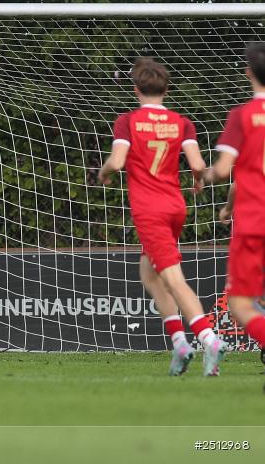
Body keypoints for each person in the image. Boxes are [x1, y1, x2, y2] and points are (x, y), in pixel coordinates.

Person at [98, 57, 226, 376]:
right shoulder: (182, 122)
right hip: (175, 206)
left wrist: (103, 173)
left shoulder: (128, 120)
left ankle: (209, 339)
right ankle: (179, 343)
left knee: (172, 278)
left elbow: (116, 161)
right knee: (149, 274)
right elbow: (197, 165)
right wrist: (197, 181)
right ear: (166, 89)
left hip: (150, 209)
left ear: (135, 89)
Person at [203, 43, 265, 360]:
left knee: (241, 302)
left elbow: (227, 172)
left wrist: (205, 175)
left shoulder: (242, 116)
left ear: (248, 73)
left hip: (254, 220)